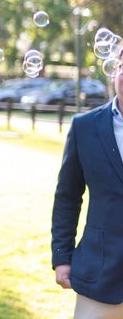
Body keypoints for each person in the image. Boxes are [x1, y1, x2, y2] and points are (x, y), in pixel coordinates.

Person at [52, 64, 123, 317]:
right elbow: (67, 197)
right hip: (100, 274)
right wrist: (61, 257)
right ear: (115, 72)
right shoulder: (84, 126)